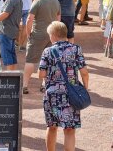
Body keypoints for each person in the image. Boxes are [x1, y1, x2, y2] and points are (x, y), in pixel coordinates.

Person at [39, 21, 89, 151]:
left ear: (54, 35)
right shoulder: (76, 49)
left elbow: (41, 73)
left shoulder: (48, 51)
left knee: (51, 127)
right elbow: (84, 72)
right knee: (69, 129)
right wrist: (85, 87)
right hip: (70, 94)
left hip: (52, 94)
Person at [23, 0, 61, 94]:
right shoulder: (56, 2)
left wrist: (28, 33)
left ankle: (25, 85)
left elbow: (29, 19)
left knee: (30, 60)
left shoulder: (37, 2)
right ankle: (44, 84)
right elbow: (59, 19)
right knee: (48, 60)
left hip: (38, 34)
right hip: (52, 35)